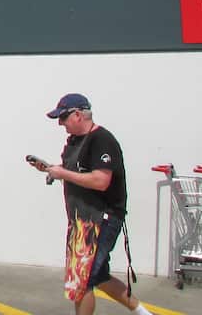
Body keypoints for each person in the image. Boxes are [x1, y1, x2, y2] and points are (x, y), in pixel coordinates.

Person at [30, 94, 152, 315]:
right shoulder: (75, 142)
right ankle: (143, 313)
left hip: (102, 219)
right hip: (81, 220)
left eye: (63, 118)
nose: (60, 123)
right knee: (98, 275)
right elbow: (76, 172)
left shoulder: (102, 140)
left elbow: (100, 181)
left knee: (84, 279)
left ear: (78, 115)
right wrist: (52, 170)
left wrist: (63, 173)